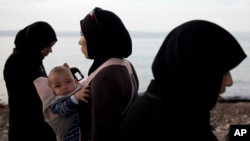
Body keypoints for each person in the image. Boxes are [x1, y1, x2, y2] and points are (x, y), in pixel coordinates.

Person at [120, 20, 247, 141]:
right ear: (198, 72)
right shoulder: (180, 126)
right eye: (223, 71)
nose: (230, 82)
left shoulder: (150, 107)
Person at [78, 7, 139, 141]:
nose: (79, 41)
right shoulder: (125, 64)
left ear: (96, 37)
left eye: (83, 34)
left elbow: (103, 133)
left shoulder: (106, 78)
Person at [3, 21, 58, 141]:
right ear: (38, 43)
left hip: (38, 125)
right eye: (48, 46)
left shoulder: (35, 59)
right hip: (25, 130)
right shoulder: (16, 62)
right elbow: (27, 97)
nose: (50, 51)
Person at [35, 64, 90, 141]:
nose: (64, 87)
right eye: (58, 86)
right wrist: (76, 98)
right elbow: (64, 110)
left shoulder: (80, 89)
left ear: (75, 81)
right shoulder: (56, 103)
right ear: (52, 90)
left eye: (68, 81)